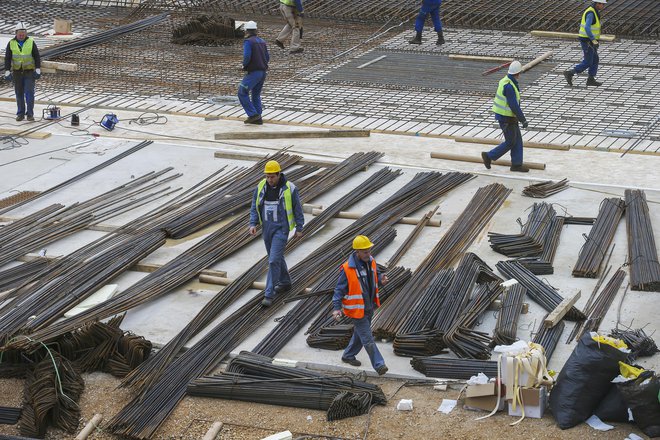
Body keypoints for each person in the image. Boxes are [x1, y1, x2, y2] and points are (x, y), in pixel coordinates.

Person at [332, 235, 389, 376]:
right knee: (367, 338)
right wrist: (336, 308)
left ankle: (348, 355)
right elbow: (339, 290)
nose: (368, 254)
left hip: (369, 307)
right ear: (357, 251)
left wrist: (381, 279)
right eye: (365, 252)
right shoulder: (347, 269)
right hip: (357, 310)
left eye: (369, 251)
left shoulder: (371, 261)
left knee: (359, 334)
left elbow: (376, 275)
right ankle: (379, 364)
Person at [249, 160, 304, 307]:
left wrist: (299, 227)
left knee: (273, 260)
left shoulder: (290, 188)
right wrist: (253, 223)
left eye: (272, 176)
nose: (269, 180)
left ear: (279, 174)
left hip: (281, 229)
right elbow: (254, 206)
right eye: (267, 176)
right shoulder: (261, 187)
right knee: (277, 257)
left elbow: (298, 208)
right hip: (266, 229)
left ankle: (269, 293)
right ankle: (285, 282)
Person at [481, 60, 530, 173]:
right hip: (506, 118)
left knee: (517, 140)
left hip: (508, 117)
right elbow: (513, 105)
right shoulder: (509, 86)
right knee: (510, 141)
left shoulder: (506, 80)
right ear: (517, 74)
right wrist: (523, 120)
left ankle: (517, 165)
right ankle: (489, 156)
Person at [4, 22, 41, 122]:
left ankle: (30, 114)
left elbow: (36, 56)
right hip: (17, 72)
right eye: (20, 33)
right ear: (16, 33)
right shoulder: (11, 43)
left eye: (23, 33)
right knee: (19, 93)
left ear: (26, 33)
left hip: (29, 72)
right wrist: (7, 70)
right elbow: (7, 58)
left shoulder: (31, 42)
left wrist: (38, 68)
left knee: (29, 93)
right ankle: (20, 114)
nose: (21, 35)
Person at [564, 0, 606, 87]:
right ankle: (570, 73)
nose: (603, 6)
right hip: (587, 40)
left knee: (595, 59)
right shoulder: (591, 13)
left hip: (590, 40)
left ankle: (591, 79)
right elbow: (587, 27)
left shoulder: (594, 11)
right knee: (588, 61)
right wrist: (593, 40)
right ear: (598, 4)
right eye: (603, 4)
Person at [239, 21, 269, 125]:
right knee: (256, 94)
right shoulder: (262, 41)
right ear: (255, 30)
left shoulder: (248, 42)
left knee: (242, 92)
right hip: (262, 73)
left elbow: (247, 56)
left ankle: (253, 115)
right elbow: (267, 57)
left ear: (247, 30)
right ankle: (258, 116)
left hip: (254, 73)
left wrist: (244, 65)